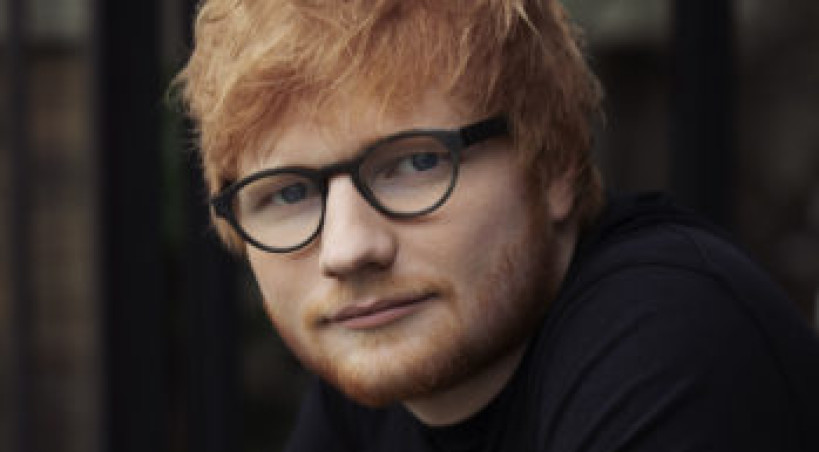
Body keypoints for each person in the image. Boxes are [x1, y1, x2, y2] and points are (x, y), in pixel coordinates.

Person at [174, 0, 819, 450]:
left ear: (554, 162)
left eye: (415, 163)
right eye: (288, 193)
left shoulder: (670, 334)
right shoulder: (371, 380)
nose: (346, 250)